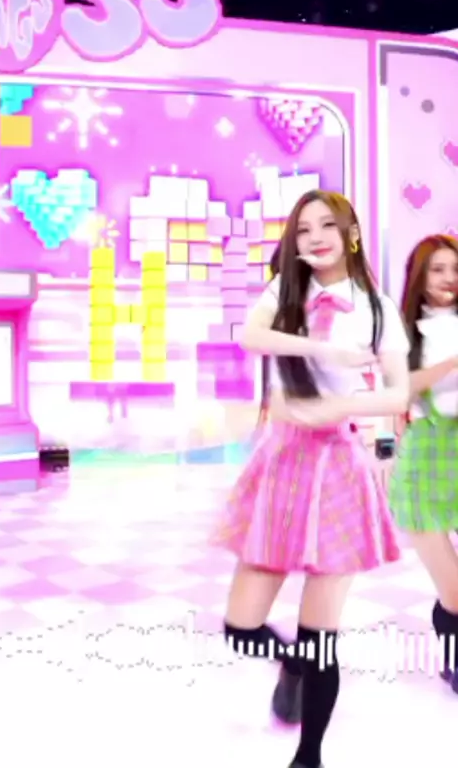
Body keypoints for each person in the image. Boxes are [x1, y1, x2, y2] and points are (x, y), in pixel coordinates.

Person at [212, 189, 410, 768]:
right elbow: (250, 337)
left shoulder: (376, 308)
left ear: (351, 233)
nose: (315, 237)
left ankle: (310, 755)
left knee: (319, 635)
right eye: (303, 230)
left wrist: (339, 408)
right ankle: (291, 664)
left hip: (340, 466)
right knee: (239, 627)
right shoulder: (286, 291)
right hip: (282, 463)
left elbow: (398, 392)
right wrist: (322, 348)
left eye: (327, 225)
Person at [388, 234, 458, 692]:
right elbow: (398, 389)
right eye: (438, 269)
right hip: (425, 464)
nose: (449, 278)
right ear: (420, 276)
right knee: (454, 591)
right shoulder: (402, 333)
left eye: (455, 269)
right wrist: (449, 364)